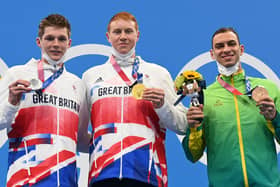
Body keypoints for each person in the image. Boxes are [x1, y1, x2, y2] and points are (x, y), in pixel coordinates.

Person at [82, 11, 188, 187]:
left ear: (137, 35)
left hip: (148, 173)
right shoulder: (91, 76)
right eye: (117, 32)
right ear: (108, 37)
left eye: (128, 31)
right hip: (102, 174)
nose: (123, 37)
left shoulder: (158, 74)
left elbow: (182, 124)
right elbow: (79, 134)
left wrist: (162, 106)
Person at [182, 27, 280, 187]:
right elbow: (192, 155)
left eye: (231, 44)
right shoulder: (204, 97)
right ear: (212, 54)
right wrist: (194, 129)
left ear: (241, 49)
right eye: (220, 46)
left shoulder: (269, 89)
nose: (226, 49)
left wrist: (275, 117)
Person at [0, 14, 89, 186]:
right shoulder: (17, 74)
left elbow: (81, 139)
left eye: (61, 39)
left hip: (65, 180)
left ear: (69, 43)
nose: (56, 44)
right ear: (38, 41)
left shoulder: (77, 85)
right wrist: (12, 101)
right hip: (25, 179)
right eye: (49, 38)